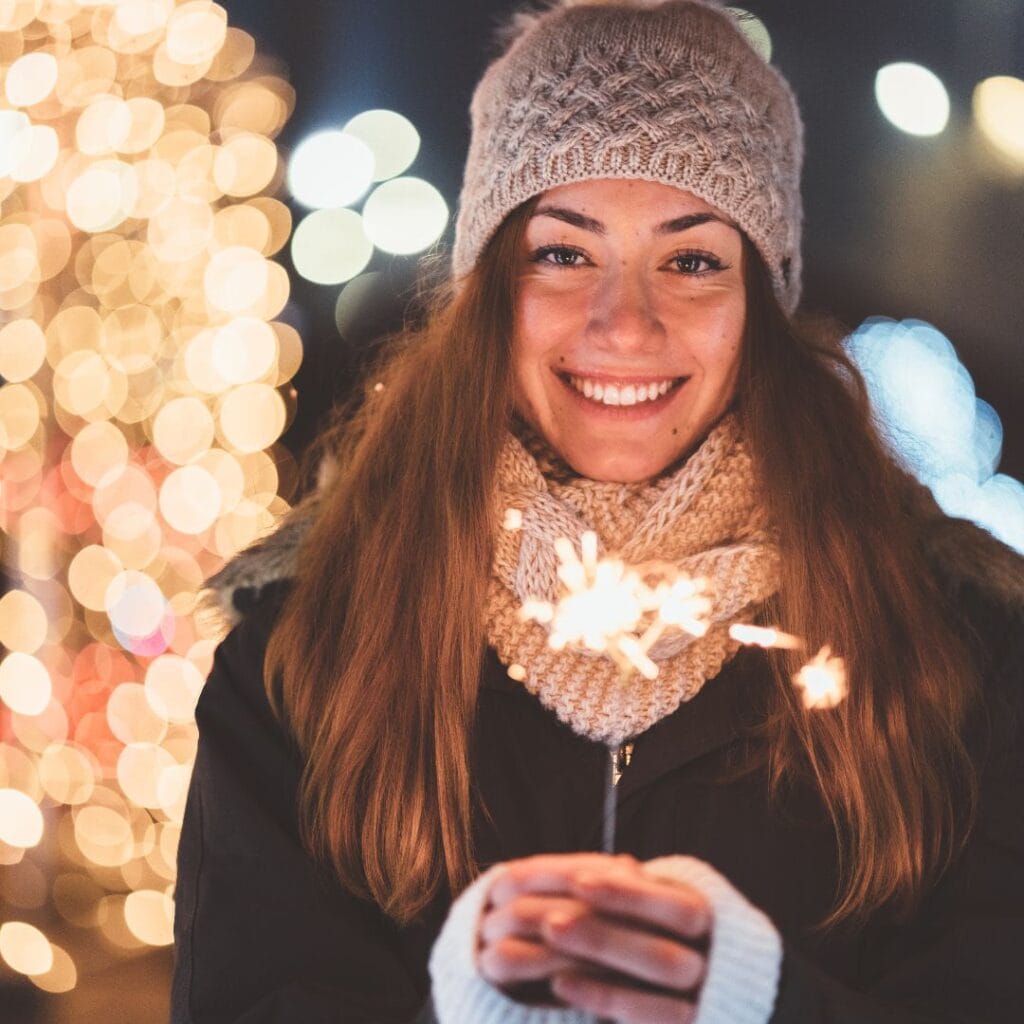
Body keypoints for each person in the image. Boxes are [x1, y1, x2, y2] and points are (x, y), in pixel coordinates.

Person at [171, 2, 1024, 1022]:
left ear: (763, 296)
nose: (625, 322)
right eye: (562, 253)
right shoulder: (302, 650)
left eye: (692, 259)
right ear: (490, 282)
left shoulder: (959, 647)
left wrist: (765, 1004)